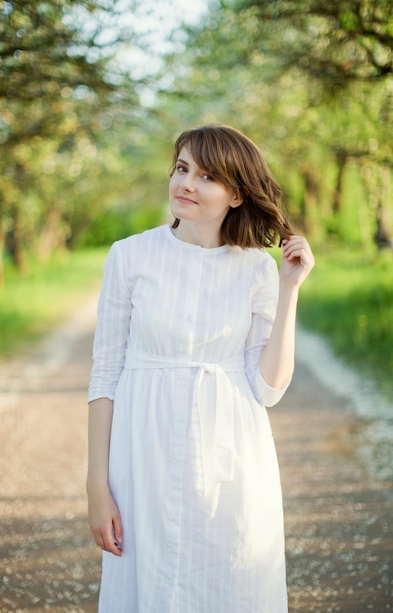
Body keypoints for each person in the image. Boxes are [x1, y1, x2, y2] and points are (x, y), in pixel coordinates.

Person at [87, 124, 315, 613]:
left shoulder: (257, 268)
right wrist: (96, 486)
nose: (186, 183)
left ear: (236, 194)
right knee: (145, 587)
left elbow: (268, 388)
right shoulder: (129, 256)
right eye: (182, 168)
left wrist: (289, 288)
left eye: (207, 176)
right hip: (141, 457)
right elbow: (105, 376)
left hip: (230, 460)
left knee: (228, 583)